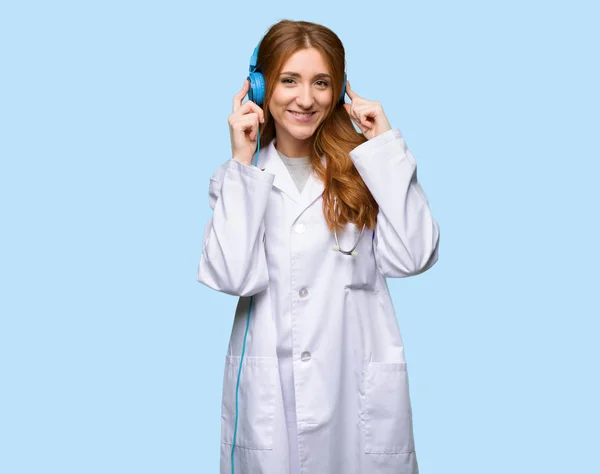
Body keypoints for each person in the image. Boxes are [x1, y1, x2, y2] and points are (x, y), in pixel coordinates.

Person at [197, 19, 440, 474]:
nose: (306, 99)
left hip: (355, 392)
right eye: (289, 80)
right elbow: (231, 277)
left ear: (341, 90)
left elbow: (414, 256)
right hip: (274, 396)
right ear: (259, 87)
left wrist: (383, 144)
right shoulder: (238, 179)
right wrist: (243, 162)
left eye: (321, 83)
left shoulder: (369, 168)